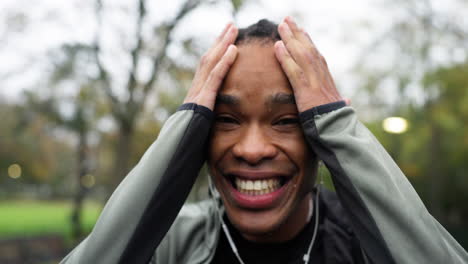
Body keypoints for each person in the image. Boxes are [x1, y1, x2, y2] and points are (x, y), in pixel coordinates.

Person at [60, 17, 468, 264]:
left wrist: (340, 127)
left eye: (287, 120)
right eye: (225, 120)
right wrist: (184, 132)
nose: (252, 149)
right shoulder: (171, 245)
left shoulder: (364, 242)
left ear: (321, 135)